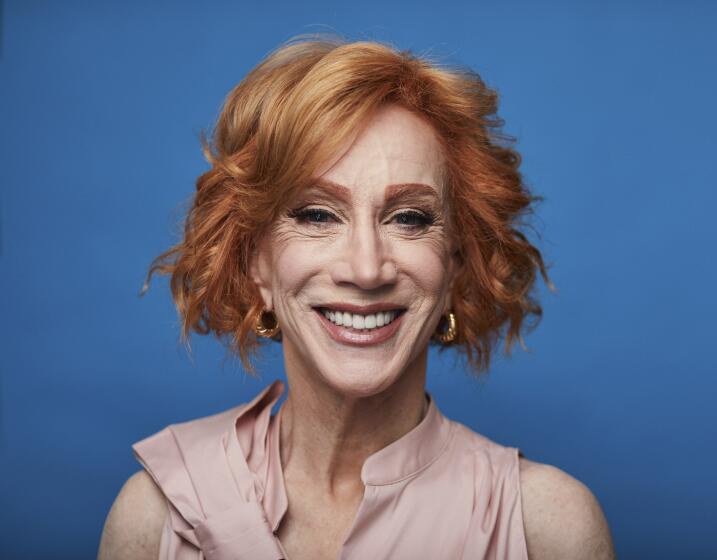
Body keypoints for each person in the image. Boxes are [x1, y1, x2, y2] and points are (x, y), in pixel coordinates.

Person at [98, 37, 615, 560]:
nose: (366, 269)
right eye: (317, 215)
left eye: (409, 218)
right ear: (256, 262)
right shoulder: (160, 515)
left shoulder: (546, 528)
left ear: (457, 263)